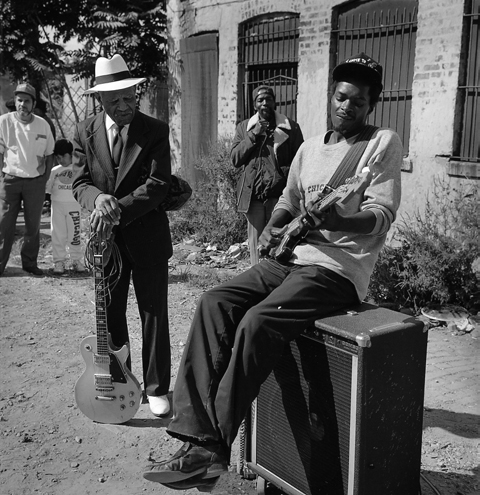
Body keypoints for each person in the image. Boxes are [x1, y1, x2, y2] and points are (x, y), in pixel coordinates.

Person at [142, 52, 403, 491]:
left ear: (371, 105)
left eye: (357, 102)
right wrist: (277, 226)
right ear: (330, 97)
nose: (346, 107)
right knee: (213, 302)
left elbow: (381, 215)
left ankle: (213, 451)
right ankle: (193, 434)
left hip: (335, 270)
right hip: (289, 257)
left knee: (258, 322)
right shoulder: (308, 148)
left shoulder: (381, 144)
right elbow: (288, 198)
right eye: (340, 97)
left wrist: (334, 220)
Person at [72, 54, 173, 418]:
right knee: (111, 314)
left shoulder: (155, 130)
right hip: (105, 244)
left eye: (129, 96)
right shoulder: (84, 131)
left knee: (154, 313)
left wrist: (115, 211)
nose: (125, 104)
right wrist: (98, 198)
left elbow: (158, 185)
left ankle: (158, 387)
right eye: (115, 100)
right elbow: (79, 181)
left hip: (147, 236)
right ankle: (121, 380)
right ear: (101, 100)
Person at [231, 85, 304, 265]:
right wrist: (253, 135)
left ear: (274, 102)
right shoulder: (244, 128)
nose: (265, 103)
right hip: (253, 197)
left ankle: (274, 282)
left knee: (277, 240)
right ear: (255, 105)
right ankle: (257, 283)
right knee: (256, 244)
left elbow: (301, 161)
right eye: (260, 100)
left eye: (268, 99)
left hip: (280, 198)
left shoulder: (290, 128)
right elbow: (235, 159)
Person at [0, 83, 55, 276]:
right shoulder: (4, 122)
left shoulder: (43, 125)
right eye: (19, 100)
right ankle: (0, 265)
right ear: (15, 101)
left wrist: (44, 180)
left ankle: (29, 263)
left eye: (27, 101)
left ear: (33, 104)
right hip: (10, 181)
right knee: (4, 224)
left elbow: (50, 154)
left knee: (33, 226)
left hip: (35, 183)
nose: (22, 104)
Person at [46, 139, 85, 274]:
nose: (61, 159)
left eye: (64, 156)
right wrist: (47, 201)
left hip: (74, 206)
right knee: (58, 234)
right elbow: (48, 188)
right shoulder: (55, 171)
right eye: (58, 157)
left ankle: (76, 260)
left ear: (71, 155)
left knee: (74, 234)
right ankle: (59, 262)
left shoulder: (78, 169)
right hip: (57, 205)